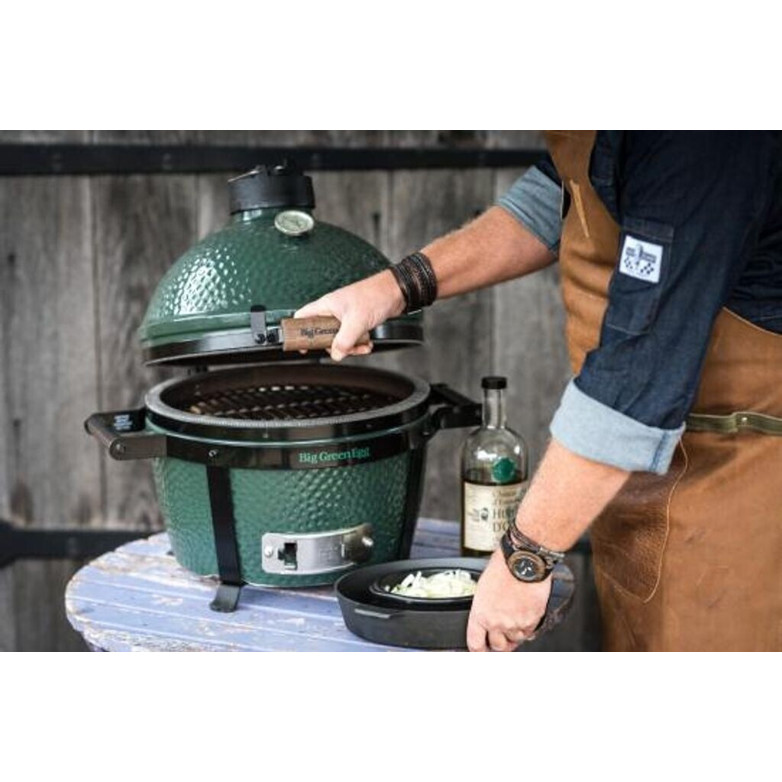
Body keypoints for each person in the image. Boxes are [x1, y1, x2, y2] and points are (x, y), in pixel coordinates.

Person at [296, 131, 782, 652]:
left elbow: (633, 379)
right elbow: (557, 196)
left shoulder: (699, 144)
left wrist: (524, 558)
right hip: (625, 475)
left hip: (740, 485)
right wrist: (393, 288)